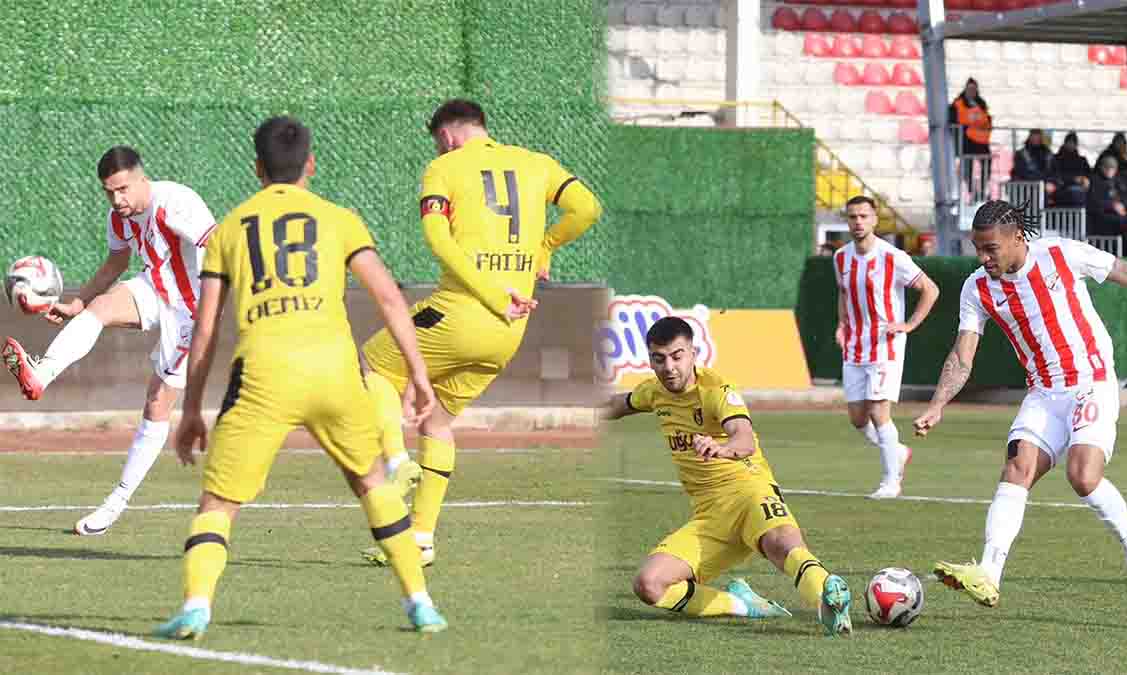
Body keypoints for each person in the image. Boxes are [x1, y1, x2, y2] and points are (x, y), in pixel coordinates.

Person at [153, 116, 446, 639]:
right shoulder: (340, 219)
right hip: (336, 371)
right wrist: (419, 374)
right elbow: (387, 297)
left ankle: (197, 605)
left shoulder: (229, 229)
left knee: (219, 503)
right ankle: (420, 603)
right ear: (310, 164)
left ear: (257, 168)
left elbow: (206, 329)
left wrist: (192, 407)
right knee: (373, 483)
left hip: (264, 373)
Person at [913, 199, 1127, 622]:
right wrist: (937, 405)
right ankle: (990, 572)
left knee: (1083, 476)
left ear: (1016, 238)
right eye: (978, 248)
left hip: (1091, 383)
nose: (983, 257)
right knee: (1017, 468)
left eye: (990, 248)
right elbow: (962, 354)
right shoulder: (977, 287)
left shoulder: (1061, 254)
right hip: (1044, 393)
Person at [358, 99, 602, 568]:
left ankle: (395, 460)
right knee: (438, 422)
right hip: (510, 329)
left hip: (462, 311)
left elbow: (439, 240)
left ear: (447, 136)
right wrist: (544, 245)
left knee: (373, 365)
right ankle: (422, 538)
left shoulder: (444, 167)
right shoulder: (537, 164)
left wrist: (490, 292)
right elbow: (587, 208)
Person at [3, 147, 216, 536]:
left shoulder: (176, 202)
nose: (117, 200)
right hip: (156, 289)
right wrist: (78, 303)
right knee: (99, 308)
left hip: (193, 311)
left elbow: (220, 248)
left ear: (141, 178)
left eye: (122, 189)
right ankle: (41, 374)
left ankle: (116, 502)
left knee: (156, 403)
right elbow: (116, 264)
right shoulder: (120, 219)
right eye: (108, 192)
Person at [603, 317, 853, 636]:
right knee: (649, 585)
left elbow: (744, 439)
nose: (669, 367)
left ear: (694, 353)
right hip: (710, 517)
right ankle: (742, 604)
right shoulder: (653, 392)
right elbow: (617, 404)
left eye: (677, 356)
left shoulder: (717, 390)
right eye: (659, 358)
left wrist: (721, 449)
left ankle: (829, 603)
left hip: (750, 493)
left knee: (783, 545)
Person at [835, 196, 940, 498]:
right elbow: (843, 293)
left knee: (880, 412)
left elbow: (930, 289)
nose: (858, 222)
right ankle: (897, 451)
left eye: (864, 216)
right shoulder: (841, 258)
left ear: (874, 220)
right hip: (855, 346)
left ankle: (890, 482)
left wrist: (909, 325)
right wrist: (841, 324)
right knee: (858, 418)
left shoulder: (892, 257)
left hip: (885, 346)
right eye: (853, 217)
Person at [949, 78, 992, 202]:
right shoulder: (958, 103)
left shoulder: (981, 103)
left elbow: (987, 119)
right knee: (968, 167)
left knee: (986, 164)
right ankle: (971, 191)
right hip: (966, 139)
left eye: (974, 89)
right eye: (970, 88)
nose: (972, 91)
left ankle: (983, 190)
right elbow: (953, 121)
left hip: (982, 140)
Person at [1011, 129, 1057, 201]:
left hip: (1045, 188)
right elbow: (1020, 173)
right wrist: (1042, 184)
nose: (1036, 139)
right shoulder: (1021, 154)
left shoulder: (1048, 153)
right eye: (1034, 136)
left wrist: (1052, 182)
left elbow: (1054, 171)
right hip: (1026, 187)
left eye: (1038, 136)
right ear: (1030, 137)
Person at [1087, 155, 1127, 237]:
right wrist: (1113, 206)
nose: (1109, 170)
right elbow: (1094, 201)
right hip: (1099, 217)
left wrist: (1122, 204)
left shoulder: (1118, 181)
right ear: (1101, 168)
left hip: (1116, 214)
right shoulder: (1095, 180)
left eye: (1112, 168)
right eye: (1107, 167)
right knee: (1122, 222)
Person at [1052, 132, 1091, 208]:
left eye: (1073, 143)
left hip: (1081, 189)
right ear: (1065, 143)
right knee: (1076, 193)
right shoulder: (1057, 159)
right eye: (1069, 142)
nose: (1071, 145)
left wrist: (1086, 179)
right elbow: (1056, 176)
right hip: (1062, 189)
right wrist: (1074, 179)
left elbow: (1089, 175)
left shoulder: (1082, 160)